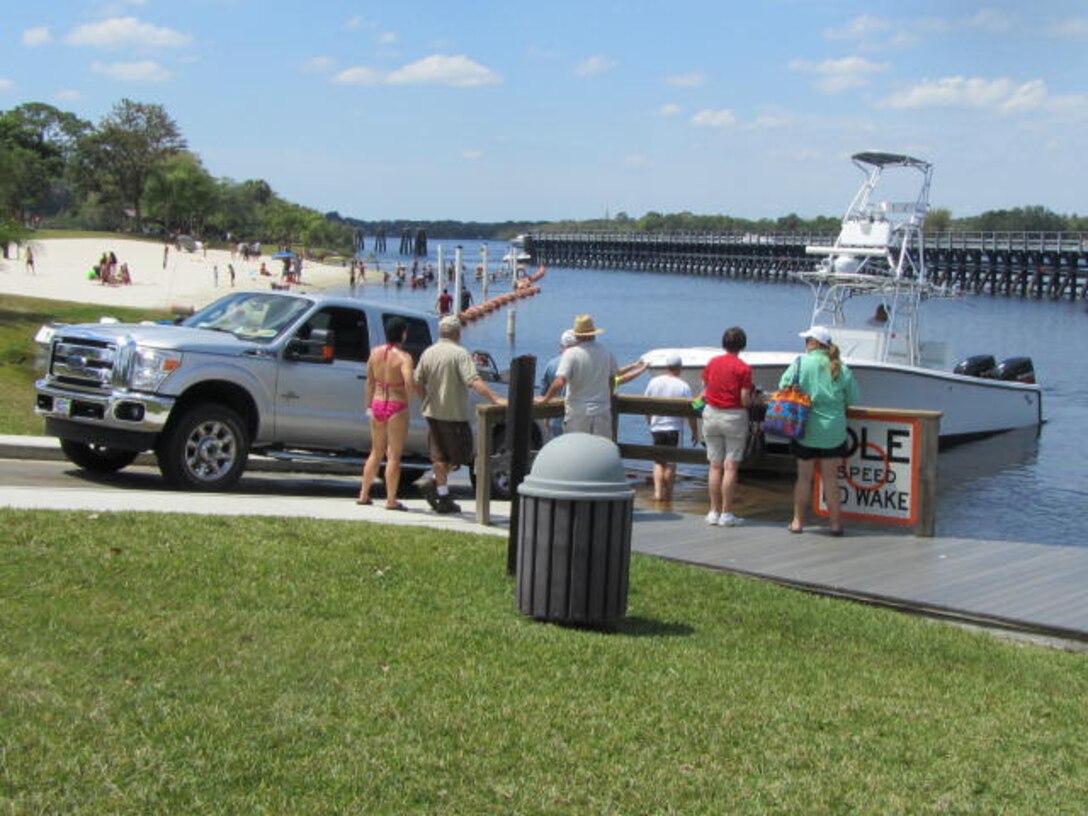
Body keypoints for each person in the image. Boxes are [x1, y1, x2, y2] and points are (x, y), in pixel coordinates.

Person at [415, 316, 506, 514]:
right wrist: (494, 397)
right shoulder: (460, 353)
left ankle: (442, 494)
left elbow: (417, 381)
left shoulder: (428, 352)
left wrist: (425, 400)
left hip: (433, 413)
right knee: (462, 456)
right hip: (454, 415)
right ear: (457, 333)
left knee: (439, 456)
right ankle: (434, 484)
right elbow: (473, 380)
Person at [782, 325, 860, 536]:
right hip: (833, 431)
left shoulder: (801, 363)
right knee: (831, 480)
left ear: (814, 344)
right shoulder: (841, 368)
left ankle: (798, 522)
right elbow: (853, 398)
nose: (805, 344)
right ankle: (835, 524)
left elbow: (783, 386)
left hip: (805, 429)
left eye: (807, 340)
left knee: (804, 478)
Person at [358, 317, 416, 511]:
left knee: (376, 452)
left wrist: (368, 405)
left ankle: (364, 494)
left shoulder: (375, 353)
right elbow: (409, 382)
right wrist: (407, 401)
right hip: (396, 404)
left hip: (377, 402)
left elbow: (369, 382)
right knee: (393, 455)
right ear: (403, 333)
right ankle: (391, 499)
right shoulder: (404, 357)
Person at [698, 326, 753, 527]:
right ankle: (727, 513)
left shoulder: (713, 363)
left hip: (711, 414)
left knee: (714, 466)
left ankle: (713, 511)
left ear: (724, 343)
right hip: (733, 417)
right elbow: (744, 399)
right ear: (742, 345)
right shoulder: (744, 368)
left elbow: (705, 387)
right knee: (730, 467)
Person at [538, 314, 618, 438]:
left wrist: (545, 400)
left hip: (578, 412)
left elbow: (559, 382)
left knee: (576, 452)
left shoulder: (571, 354)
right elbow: (612, 379)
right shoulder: (606, 352)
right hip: (602, 411)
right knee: (599, 452)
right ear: (594, 333)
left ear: (577, 335)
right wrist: (608, 396)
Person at [643, 355, 699, 502]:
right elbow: (692, 410)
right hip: (674, 429)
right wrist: (695, 431)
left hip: (657, 427)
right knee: (671, 463)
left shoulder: (653, 382)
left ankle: (657, 493)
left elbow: (645, 405)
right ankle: (667, 495)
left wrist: (649, 421)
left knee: (658, 462)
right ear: (679, 368)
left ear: (666, 367)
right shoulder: (683, 386)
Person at [540, 329, 578, 439]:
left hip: (555, 420)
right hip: (576, 419)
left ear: (562, 346)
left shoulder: (551, 364)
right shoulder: (583, 363)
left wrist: (546, 418)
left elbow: (544, 392)